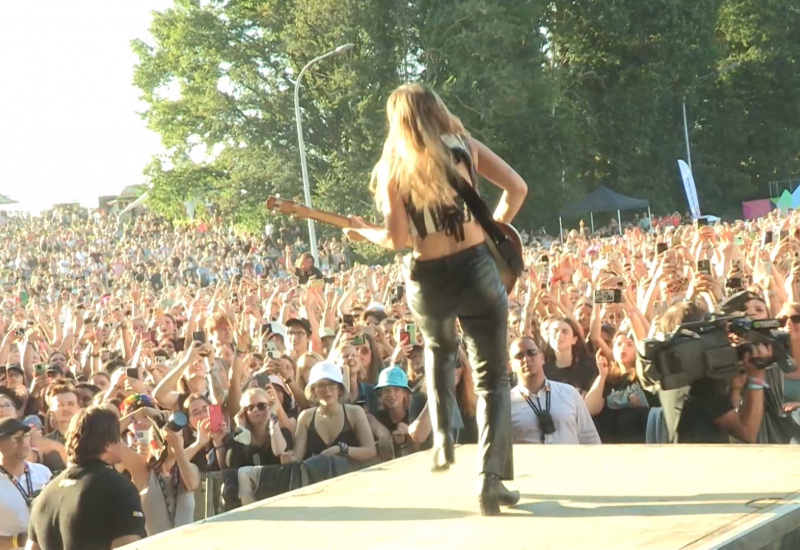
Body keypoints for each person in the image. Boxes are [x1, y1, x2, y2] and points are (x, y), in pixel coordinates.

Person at [342, 83, 527, 515]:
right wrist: (491, 226)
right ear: (436, 109)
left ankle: (444, 436)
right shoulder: (466, 147)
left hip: (429, 276)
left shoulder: (393, 167)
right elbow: (517, 188)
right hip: (477, 266)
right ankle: (491, 480)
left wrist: (360, 232)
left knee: (441, 354)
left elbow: (396, 239)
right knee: (494, 379)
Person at [26, 406, 147, 550]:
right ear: (107, 444)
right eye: (119, 438)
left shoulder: (45, 493)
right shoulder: (118, 488)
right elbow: (128, 545)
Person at [509, 337, 600, 444]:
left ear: (542, 358)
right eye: (519, 356)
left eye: (531, 352)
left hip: (570, 460)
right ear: (511, 366)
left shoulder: (569, 393)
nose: (526, 359)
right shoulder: (506, 403)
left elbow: (590, 438)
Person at [0, 418, 52, 550]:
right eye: (15, 437)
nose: (22, 441)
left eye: (25, 436)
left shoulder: (43, 472)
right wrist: (20, 539)